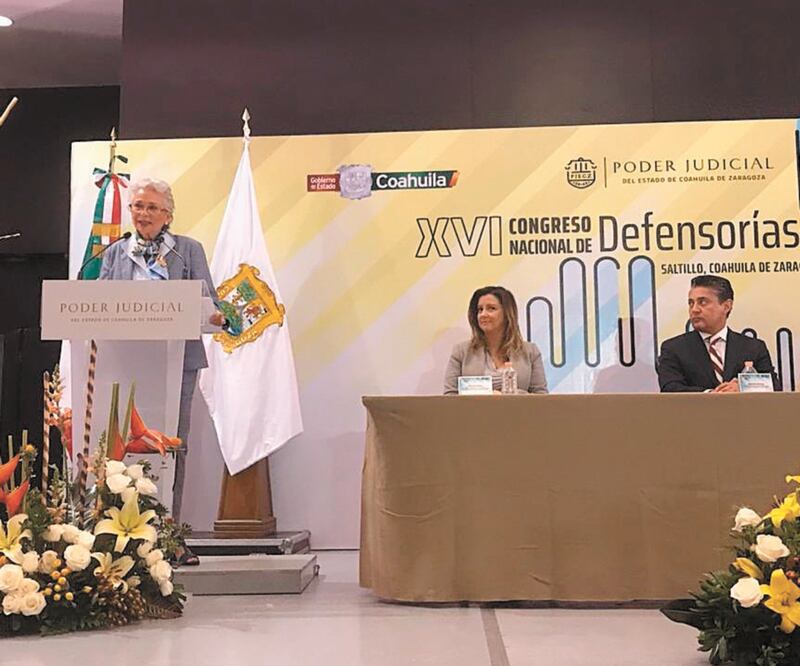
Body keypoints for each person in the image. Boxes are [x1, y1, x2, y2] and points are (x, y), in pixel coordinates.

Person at [99, 177, 225, 565]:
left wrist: (216, 315)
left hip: (177, 363)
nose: (144, 214)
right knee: (119, 451)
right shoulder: (114, 253)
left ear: (168, 215)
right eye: (138, 206)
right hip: (124, 363)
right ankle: (121, 536)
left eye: (153, 207)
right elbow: (99, 302)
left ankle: (170, 536)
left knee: (171, 447)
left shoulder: (187, 251)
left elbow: (210, 304)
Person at [657, 275, 781, 392]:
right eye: (691, 303)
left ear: (726, 306)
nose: (694, 309)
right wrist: (713, 394)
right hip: (696, 414)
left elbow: (774, 386)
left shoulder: (753, 347)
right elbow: (670, 388)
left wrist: (743, 387)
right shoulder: (674, 348)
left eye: (703, 302)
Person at [444, 286, 548, 395]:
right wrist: (487, 395)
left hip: (518, 412)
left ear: (507, 313)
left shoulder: (530, 351)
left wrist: (509, 395)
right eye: (480, 309)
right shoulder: (461, 352)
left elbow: (541, 397)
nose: (483, 314)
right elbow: (450, 396)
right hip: (474, 412)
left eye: (491, 308)